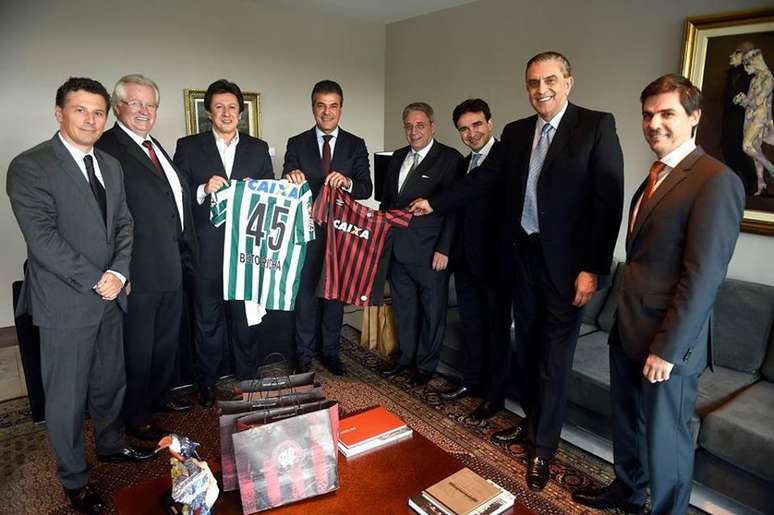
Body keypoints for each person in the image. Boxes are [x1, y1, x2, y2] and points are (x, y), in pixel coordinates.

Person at [409, 52, 624, 491]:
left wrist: (592, 269)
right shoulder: (516, 131)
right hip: (521, 261)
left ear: (567, 82)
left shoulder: (596, 126)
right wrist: (436, 202)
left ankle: (542, 450)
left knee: (553, 360)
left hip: (567, 270)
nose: (540, 89)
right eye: (532, 82)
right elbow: (484, 180)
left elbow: (608, 203)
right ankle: (530, 428)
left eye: (549, 80)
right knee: (525, 351)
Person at [572, 74, 744, 515]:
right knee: (627, 425)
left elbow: (703, 276)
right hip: (627, 329)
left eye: (667, 113)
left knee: (666, 440)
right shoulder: (653, 177)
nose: (654, 123)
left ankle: (667, 509)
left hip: (668, 342)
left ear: (694, 117)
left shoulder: (714, 180)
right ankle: (629, 491)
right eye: (648, 115)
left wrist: (666, 349)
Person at [7, 77, 154, 514]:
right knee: (67, 397)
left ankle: (110, 445)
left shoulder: (110, 164)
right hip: (66, 302)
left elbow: (125, 224)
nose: (91, 119)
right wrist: (99, 277)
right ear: (59, 113)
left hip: (111, 295)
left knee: (111, 381)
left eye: (97, 112)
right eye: (80, 110)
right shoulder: (29, 166)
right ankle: (74, 479)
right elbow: (43, 239)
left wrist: (120, 270)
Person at [96, 74, 197, 441]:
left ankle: (158, 398)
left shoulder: (153, 145)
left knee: (163, 344)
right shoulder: (108, 147)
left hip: (169, 265)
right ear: (117, 106)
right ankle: (136, 417)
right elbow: (104, 216)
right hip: (137, 270)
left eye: (150, 104)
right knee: (137, 349)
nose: (144, 111)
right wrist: (119, 270)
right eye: (136, 103)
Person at [174, 79, 274, 407]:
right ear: (208, 113)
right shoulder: (188, 146)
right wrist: (203, 189)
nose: (226, 112)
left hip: (247, 253)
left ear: (241, 113)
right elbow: (176, 196)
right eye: (219, 107)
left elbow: (271, 199)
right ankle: (207, 382)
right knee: (207, 321)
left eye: (232, 107)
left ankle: (247, 376)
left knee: (245, 319)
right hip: (206, 252)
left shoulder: (258, 149)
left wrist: (255, 189)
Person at [283, 80, 372, 376]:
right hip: (306, 233)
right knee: (306, 295)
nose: (327, 112)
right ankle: (304, 355)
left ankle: (331, 353)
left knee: (334, 297)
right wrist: (290, 176)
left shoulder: (356, 144)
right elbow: (285, 183)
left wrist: (346, 182)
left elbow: (365, 187)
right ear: (313, 108)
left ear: (341, 108)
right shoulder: (296, 143)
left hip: (341, 235)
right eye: (321, 105)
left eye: (333, 106)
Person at [380, 102, 463, 387]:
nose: (413, 131)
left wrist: (445, 249)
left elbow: (454, 209)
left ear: (432, 126)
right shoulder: (398, 156)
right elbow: (388, 203)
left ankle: (426, 366)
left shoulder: (450, 159)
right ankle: (405, 360)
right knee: (404, 309)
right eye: (409, 126)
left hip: (430, 252)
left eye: (420, 125)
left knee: (431, 312)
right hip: (397, 249)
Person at [436, 98, 507, 422]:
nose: (471, 133)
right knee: (472, 328)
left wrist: (431, 202)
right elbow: (458, 211)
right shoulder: (465, 164)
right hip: (465, 263)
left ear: (490, 123)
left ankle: (495, 397)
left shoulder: (506, 157)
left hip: (496, 265)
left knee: (495, 332)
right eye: (464, 129)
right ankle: (472, 382)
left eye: (477, 125)